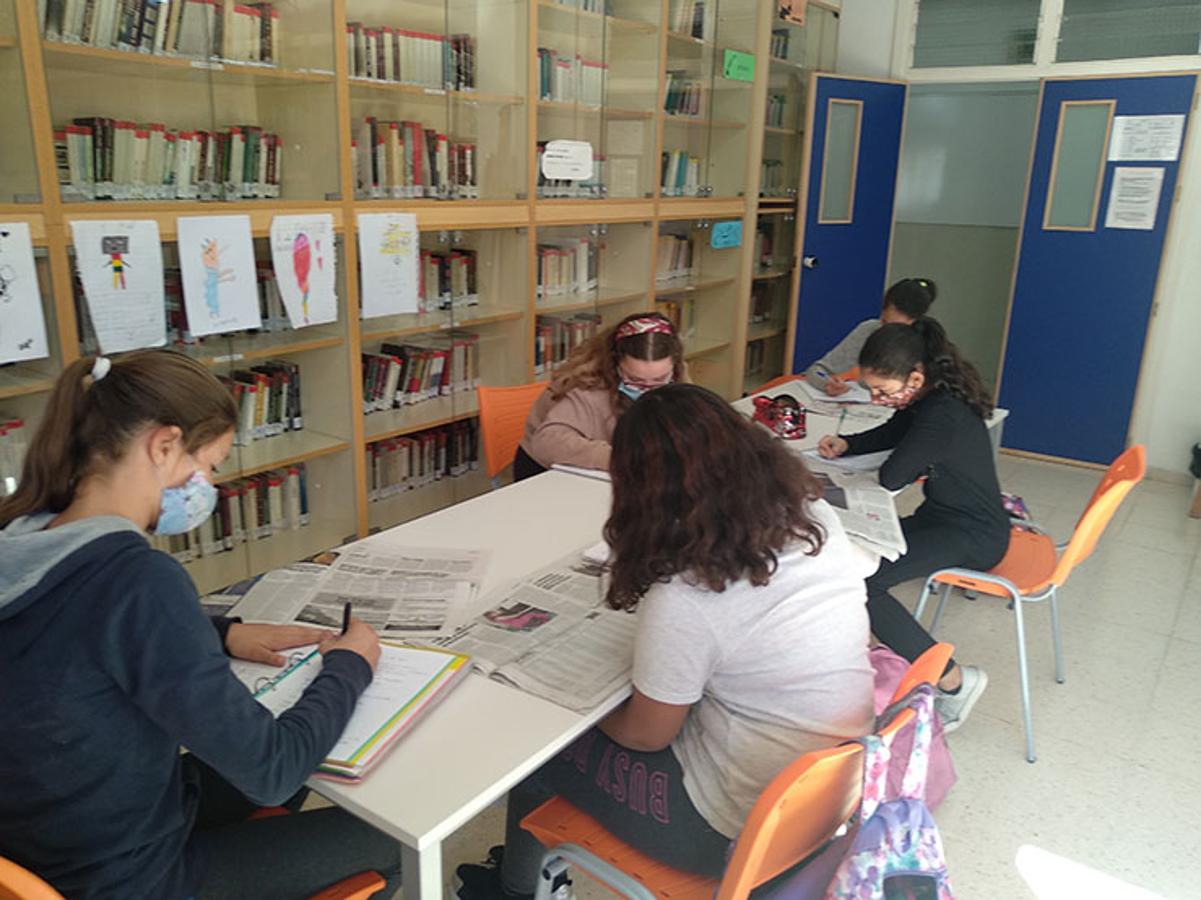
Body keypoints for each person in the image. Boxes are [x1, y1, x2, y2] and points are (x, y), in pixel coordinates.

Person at [0, 351, 402, 899]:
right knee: (392, 835)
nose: (205, 485)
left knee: (277, 779)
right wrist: (351, 666)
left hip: (41, 855)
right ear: (163, 446)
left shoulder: (23, 540)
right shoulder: (137, 578)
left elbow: (70, 640)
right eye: (206, 466)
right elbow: (273, 768)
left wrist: (221, 633)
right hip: (133, 880)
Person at [458, 384, 875, 898]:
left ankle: (515, 890)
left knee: (534, 756)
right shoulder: (815, 519)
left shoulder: (692, 597)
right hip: (827, 799)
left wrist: (572, 716)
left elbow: (644, 737)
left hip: (722, 830)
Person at [818, 317, 1008, 732]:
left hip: (975, 534)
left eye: (881, 391)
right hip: (942, 517)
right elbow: (895, 430)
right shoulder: (928, 396)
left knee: (864, 581)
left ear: (915, 377)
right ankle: (870, 652)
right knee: (850, 562)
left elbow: (893, 476)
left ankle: (955, 681)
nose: (875, 398)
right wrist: (849, 443)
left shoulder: (942, 413)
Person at [514, 312, 683, 480]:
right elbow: (547, 443)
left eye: (659, 380)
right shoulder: (587, 386)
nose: (647, 389)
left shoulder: (678, 377)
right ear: (615, 363)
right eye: (634, 380)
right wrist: (624, 458)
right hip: (547, 473)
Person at [804, 277, 938, 396]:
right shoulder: (869, 330)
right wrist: (827, 383)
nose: (887, 333)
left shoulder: (927, 343)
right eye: (885, 322)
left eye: (898, 328)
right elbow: (818, 370)